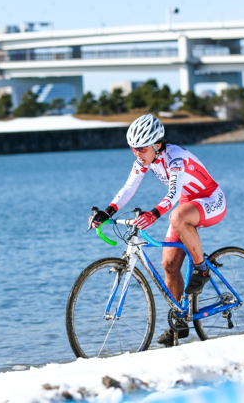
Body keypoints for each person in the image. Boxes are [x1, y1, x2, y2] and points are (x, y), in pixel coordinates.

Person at [88, 114, 227, 347]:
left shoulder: (176, 158)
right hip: (187, 204)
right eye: (132, 149)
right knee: (170, 265)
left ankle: (202, 270)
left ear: (157, 144)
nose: (137, 153)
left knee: (177, 216)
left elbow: (172, 195)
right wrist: (108, 211)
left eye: (141, 148)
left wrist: (153, 214)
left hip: (211, 200)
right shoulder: (144, 161)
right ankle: (180, 322)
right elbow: (128, 188)